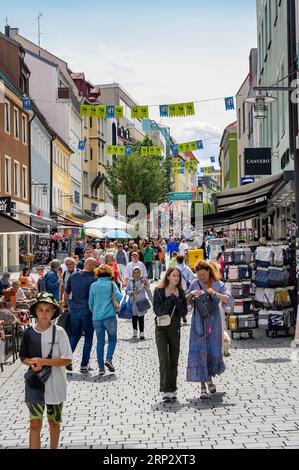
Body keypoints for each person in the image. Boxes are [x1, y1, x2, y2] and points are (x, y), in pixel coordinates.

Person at [19, 292, 72, 449]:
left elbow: (67, 359)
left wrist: (44, 361)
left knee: (53, 422)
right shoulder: (28, 333)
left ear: (53, 312)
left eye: (48, 310)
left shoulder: (60, 332)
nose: (44, 313)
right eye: (40, 310)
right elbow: (23, 356)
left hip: (55, 383)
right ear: (35, 312)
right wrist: (32, 362)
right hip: (35, 383)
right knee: (35, 423)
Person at [186, 261, 234, 400]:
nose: (201, 277)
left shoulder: (218, 284)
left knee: (213, 351)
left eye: (203, 274)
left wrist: (215, 293)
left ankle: (209, 378)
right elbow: (187, 302)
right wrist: (191, 295)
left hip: (214, 321)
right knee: (200, 351)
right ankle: (203, 386)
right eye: (199, 275)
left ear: (209, 271)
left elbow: (229, 300)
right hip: (199, 321)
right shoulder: (195, 283)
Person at [153, 268, 187, 402]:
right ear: (168, 276)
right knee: (164, 359)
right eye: (174, 275)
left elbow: (183, 312)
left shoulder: (182, 292)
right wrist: (170, 299)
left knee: (174, 359)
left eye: (178, 276)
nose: (176, 278)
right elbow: (158, 310)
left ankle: (172, 388)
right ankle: (165, 389)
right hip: (161, 328)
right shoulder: (159, 291)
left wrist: (177, 299)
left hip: (175, 328)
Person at [64, 258, 97, 372]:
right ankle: (84, 364)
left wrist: (66, 306)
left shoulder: (73, 276)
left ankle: (67, 360)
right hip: (88, 311)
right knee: (88, 338)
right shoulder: (93, 278)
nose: (96, 267)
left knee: (74, 336)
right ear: (90, 265)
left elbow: (66, 292)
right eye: (95, 265)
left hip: (75, 310)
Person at [89, 264, 122, 376]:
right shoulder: (111, 284)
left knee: (100, 342)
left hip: (97, 318)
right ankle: (108, 359)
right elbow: (119, 297)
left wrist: (95, 312)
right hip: (109, 316)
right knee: (112, 339)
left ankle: (101, 367)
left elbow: (90, 303)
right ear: (110, 273)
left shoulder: (93, 285)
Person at [126, 267, 153, 340]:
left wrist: (152, 300)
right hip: (133, 302)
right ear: (133, 273)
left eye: (138, 272)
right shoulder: (130, 281)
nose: (136, 274)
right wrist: (131, 292)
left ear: (140, 273)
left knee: (141, 317)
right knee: (134, 317)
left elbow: (148, 291)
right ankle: (135, 330)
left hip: (141, 301)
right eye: (135, 272)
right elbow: (126, 290)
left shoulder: (143, 281)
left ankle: (142, 332)